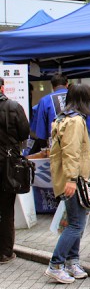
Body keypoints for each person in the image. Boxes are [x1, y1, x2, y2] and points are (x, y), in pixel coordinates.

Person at [45, 84, 90, 284]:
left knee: (77, 222)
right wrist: (72, 179)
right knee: (75, 224)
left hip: (70, 178)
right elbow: (72, 152)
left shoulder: (62, 118)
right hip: (74, 180)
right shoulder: (75, 121)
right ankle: (56, 265)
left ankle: (72, 262)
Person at [0, 78, 30, 265]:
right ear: (2, 87)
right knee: (6, 208)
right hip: (7, 164)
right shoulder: (13, 107)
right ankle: (5, 252)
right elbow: (24, 133)